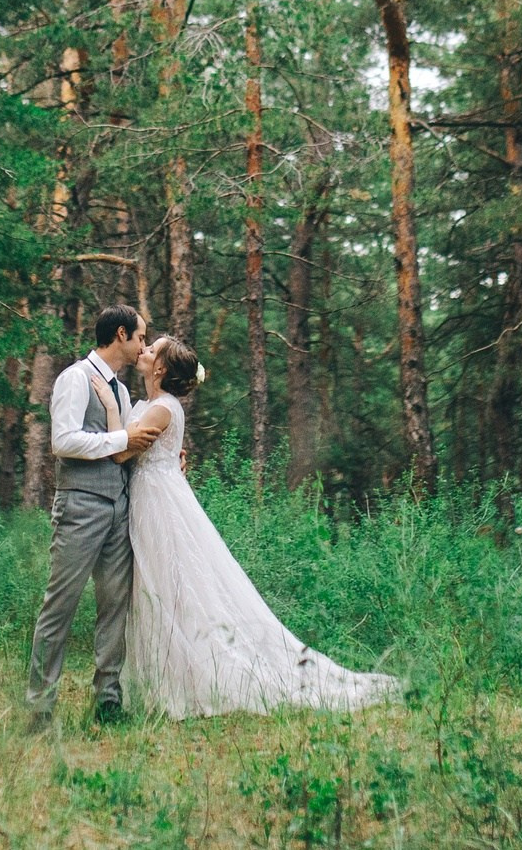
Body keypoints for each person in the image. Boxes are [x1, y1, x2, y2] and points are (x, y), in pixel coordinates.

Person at [117, 334, 402, 719]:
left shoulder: (161, 409)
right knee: (162, 583)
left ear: (162, 367)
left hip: (159, 501)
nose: (145, 350)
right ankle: (175, 670)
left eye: (152, 349)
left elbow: (120, 451)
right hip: (157, 494)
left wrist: (104, 399)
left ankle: (197, 674)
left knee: (168, 583)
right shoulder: (154, 406)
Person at [24, 304, 165, 726]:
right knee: (60, 606)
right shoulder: (74, 378)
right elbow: (63, 441)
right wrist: (122, 436)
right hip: (80, 506)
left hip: (119, 508)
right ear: (120, 335)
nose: (143, 345)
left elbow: (127, 450)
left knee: (114, 607)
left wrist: (166, 455)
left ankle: (108, 701)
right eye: (140, 337)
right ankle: (40, 707)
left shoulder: (122, 393)